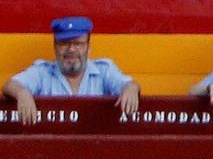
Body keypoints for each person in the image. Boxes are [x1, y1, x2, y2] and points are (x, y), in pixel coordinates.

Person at [3, 16, 140, 120]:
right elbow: (10, 85)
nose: (71, 49)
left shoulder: (104, 70)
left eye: (78, 44)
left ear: (88, 47)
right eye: (64, 43)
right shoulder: (42, 71)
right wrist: (22, 93)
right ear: (55, 47)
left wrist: (131, 89)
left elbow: (128, 84)